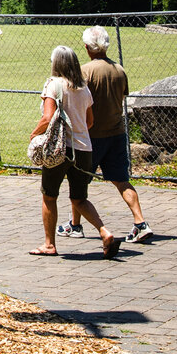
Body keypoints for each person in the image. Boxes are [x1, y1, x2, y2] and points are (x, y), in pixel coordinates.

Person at [58, 26, 154, 244]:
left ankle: (75, 225)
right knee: (122, 180)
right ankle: (140, 223)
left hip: (91, 136)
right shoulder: (119, 70)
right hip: (117, 133)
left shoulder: (84, 71)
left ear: (87, 47)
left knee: (78, 184)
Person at [30, 44, 121, 257]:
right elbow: (89, 122)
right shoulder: (84, 89)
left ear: (56, 63)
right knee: (79, 198)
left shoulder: (53, 84)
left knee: (49, 196)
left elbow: (48, 117)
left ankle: (49, 244)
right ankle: (104, 231)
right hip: (84, 149)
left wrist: (34, 135)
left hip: (60, 150)